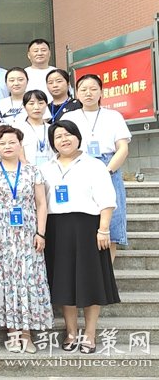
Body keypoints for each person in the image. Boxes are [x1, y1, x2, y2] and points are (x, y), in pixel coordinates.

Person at [41, 120, 120, 354]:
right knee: (64, 282)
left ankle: (90, 334)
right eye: (58, 137)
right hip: (56, 229)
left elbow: (107, 199)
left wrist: (103, 229)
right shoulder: (45, 168)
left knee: (90, 281)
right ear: (52, 142)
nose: (64, 139)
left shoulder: (94, 165)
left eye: (68, 134)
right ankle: (71, 332)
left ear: (78, 137)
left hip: (88, 227)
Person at [0, 125, 53, 353]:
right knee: (6, 281)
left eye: (12, 142)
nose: (8, 146)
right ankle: (12, 333)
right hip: (0, 236)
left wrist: (41, 232)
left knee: (27, 279)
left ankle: (27, 334)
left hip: (28, 235)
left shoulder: (33, 171)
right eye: (2, 143)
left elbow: (41, 203)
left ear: (20, 144)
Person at [61, 74, 131, 258]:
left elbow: (123, 148)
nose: (88, 93)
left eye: (93, 89)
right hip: (78, 166)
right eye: (83, 89)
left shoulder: (113, 116)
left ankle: (109, 272)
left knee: (112, 223)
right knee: (82, 219)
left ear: (101, 92)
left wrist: (106, 171)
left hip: (109, 166)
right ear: (76, 93)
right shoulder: (69, 117)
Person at [13, 90, 53, 167]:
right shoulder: (17, 129)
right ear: (24, 106)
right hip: (27, 169)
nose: (36, 107)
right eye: (31, 103)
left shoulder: (52, 128)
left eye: (41, 103)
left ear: (46, 105)